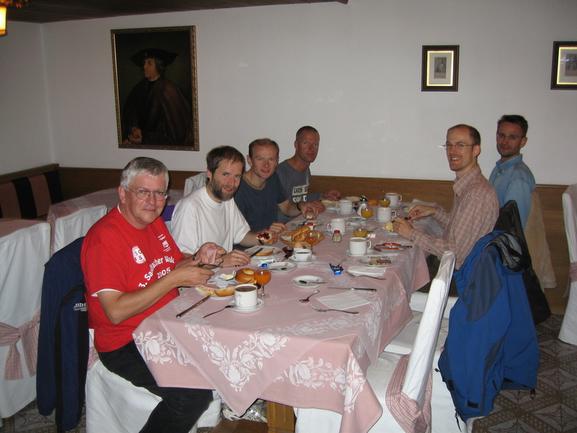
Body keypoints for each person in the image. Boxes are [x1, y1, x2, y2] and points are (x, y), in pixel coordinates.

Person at [82, 157, 224, 433]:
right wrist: (174, 279)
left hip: (165, 324)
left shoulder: (154, 223)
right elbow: (115, 311)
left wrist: (199, 258)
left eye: (160, 193)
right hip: (124, 341)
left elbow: (172, 265)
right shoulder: (104, 239)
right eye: (143, 192)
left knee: (225, 345)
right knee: (191, 395)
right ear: (123, 193)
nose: (153, 201)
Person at [393, 124, 499, 269]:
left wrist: (411, 233)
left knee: (398, 266)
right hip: (455, 267)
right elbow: (459, 229)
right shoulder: (467, 184)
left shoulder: (476, 194)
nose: (452, 151)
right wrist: (434, 212)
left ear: (476, 150)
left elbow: (456, 253)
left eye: (460, 145)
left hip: (460, 275)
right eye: (449, 145)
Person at [171, 145, 278, 267]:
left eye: (237, 176)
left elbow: (242, 236)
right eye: (225, 174)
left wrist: (266, 236)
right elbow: (181, 262)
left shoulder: (227, 199)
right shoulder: (189, 207)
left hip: (225, 274)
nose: (231, 183)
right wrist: (221, 261)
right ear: (209, 173)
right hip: (201, 277)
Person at [234, 138, 318, 232]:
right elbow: (237, 233)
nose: (266, 165)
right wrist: (266, 233)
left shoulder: (272, 178)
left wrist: (300, 206)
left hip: (272, 238)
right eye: (260, 159)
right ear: (249, 160)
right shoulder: (237, 188)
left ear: (277, 161)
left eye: (271, 159)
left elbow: (286, 208)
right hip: (253, 240)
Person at [122, 48, 193, 146]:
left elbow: (176, 133)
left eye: (149, 63)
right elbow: (130, 113)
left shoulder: (168, 90)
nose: (144, 66)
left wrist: (145, 138)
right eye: (144, 63)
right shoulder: (139, 88)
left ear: (159, 66)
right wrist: (134, 128)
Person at [276, 126, 341, 220]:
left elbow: (299, 198)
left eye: (315, 144)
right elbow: (284, 207)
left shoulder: (306, 170)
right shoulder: (280, 172)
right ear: (296, 145)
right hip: (283, 224)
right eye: (306, 143)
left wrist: (323, 196)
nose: (311, 148)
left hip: (299, 220)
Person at [489, 115, 535, 228]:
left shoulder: (518, 178)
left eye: (512, 137)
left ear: (523, 142)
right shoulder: (499, 169)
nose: (505, 142)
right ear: (496, 137)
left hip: (500, 238)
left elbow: (512, 228)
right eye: (502, 135)